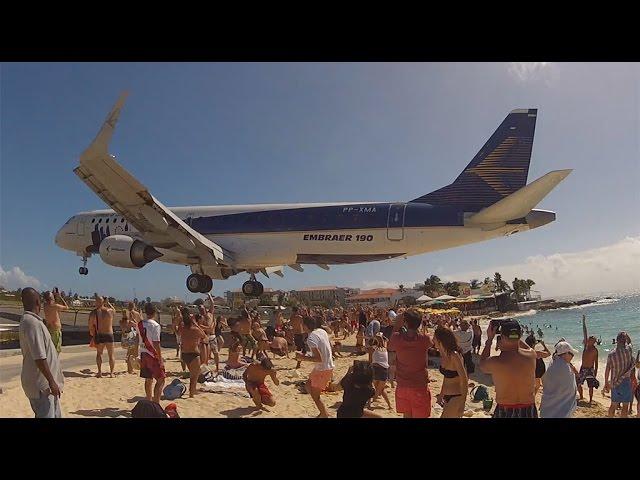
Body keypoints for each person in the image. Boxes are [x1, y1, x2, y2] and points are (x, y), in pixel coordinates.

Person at [18, 287, 64, 418]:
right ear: (38, 302)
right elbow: (39, 357)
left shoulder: (32, 321)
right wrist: (51, 381)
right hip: (42, 387)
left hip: (45, 387)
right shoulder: (32, 323)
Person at [479, 319, 538, 418]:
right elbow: (526, 347)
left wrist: (489, 339)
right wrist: (515, 337)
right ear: (520, 335)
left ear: (502, 337)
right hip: (529, 409)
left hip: (506, 409)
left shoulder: (496, 362)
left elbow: (482, 364)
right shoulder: (531, 355)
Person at [388, 309, 434, 418]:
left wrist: (397, 325)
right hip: (419, 385)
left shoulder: (397, 338)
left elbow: (390, 346)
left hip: (402, 385)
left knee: (406, 416)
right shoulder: (424, 339)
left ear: (405, 322)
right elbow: (431, 344)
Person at [296, 316, 334, 417]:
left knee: (315, 396)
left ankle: (324, 414)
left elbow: (318, 358)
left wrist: (302, 358)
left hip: (323, 369)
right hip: (326, 366)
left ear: (305, 326)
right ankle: (323, 411)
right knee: (308, 385)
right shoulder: (321, 331)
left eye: (302, 324)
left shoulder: (311, 338)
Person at [433, 325, 468, 418]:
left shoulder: (454, 355)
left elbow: (464, 380)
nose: (433, 340)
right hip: (447, 397)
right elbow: (447, 377)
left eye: (434, 338)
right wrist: (441, 395)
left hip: (457, 396)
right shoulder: (444, 354)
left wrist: (463, 403)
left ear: (441, 340)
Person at [539, 341, 578, 418]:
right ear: (566, 353)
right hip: (559, 411)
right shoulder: (564, 367)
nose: (572, 357)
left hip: (548, 407)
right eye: (572, 354)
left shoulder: (553, 362)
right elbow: (570, 390)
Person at [138, 303, 165, 404]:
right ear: (154, 312)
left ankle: (149, 401)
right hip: (152, 354)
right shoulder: (155, 325)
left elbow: (138, 339)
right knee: (161, 379)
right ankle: (156, 404)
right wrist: (160, 359)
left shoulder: (140, 324)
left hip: (143, 353)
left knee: (148, 379)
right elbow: (156, 344)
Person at [178, 307, 207, 397]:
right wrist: (196, 324)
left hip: (184, 354)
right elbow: (204, 336)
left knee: (193, 374)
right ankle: (191, 393)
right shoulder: (195, 329)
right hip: (194, 354)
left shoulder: (182, 329)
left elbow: (178, 331)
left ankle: (193, 391)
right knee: (194, 376)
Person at [604, 331, 634, 418]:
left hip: (614, 382)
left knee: (613, 405)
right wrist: (626, 335)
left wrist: (606, 382)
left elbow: (607, 370)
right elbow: (630, 342)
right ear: (624, 341)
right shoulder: (628, 350)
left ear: (617, 341)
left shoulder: (611, 354)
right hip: (625, 381)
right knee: (625, 406)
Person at [89, 295, 116, 378]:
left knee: (99, 354)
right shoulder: (109, 311)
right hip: (109, 334)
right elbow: (114, 311)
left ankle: (99, 372)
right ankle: (111, 373)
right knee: (111, 354)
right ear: (103, 302)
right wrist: (108, 303)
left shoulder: (93, 312)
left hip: (100, 334)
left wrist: (92, 333)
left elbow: (90, 325)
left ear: (96, 302)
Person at [577, 315, 600, 404]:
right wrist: (583, 322)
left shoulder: (595, 350)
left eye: (591, 339)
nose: (589, 340)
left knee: (591, 386)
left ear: (594, 342)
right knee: (578, 383)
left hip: (590, 369)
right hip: (583, 368)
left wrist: (596, 373)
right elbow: (585, 332)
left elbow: (596, 363)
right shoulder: (586, 347)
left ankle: (590, 400)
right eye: (589, 339)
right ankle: (582, 396)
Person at [368, 334, 392, 410]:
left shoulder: (372, 349)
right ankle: (389, 405)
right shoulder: (384, 348)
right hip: (384, 370)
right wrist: (381, 337)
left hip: (376, 369)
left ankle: (370, 402)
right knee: (380, 389)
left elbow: (370, 361)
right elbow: (386, 340)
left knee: (375, 389)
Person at [42, 288, 67, 354]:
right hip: (56, 330)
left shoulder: (45, 305)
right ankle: (54, 362)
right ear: (51, 298)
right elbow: (66, 307)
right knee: (56, 350)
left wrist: (53, 296)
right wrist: (60, 296)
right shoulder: (55, 306)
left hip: (49, 328)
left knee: (49, 348)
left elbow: (49, 301)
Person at [120, 309, 139, 374]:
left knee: (129, 353)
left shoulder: (121, 322)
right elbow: (137, 325)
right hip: (130, 338)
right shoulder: (130, 322)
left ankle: (129, 369)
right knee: (131, 354)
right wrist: (133, 318)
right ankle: (130, 370)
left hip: (124, 338)